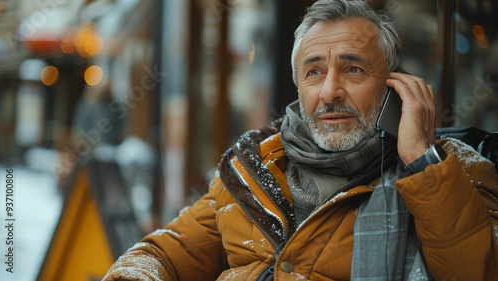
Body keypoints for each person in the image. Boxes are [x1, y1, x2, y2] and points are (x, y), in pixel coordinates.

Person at [102, 0, 498, 280]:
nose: (329, 91)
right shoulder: (251, 169)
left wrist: (421, 162)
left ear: (395, 86)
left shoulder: (453, 172)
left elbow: (477, 271)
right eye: (313, 73)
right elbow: (161, 255)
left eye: (353, 69)